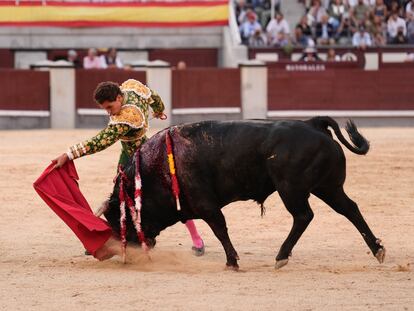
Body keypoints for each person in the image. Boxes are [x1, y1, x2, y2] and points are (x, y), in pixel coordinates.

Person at [53, 79, 205, 260]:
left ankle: (196, 239)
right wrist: (159, 110)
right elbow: (153, 97)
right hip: (130, 154)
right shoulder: (131, 87)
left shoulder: (126, 117)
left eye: (110, 107)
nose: (109, 112)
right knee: (120, 197)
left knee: (170, 197)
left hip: (143, 159)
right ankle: (113, 238)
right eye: (105, 109)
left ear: (118, 97)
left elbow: (101, 141)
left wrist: (70, 154)